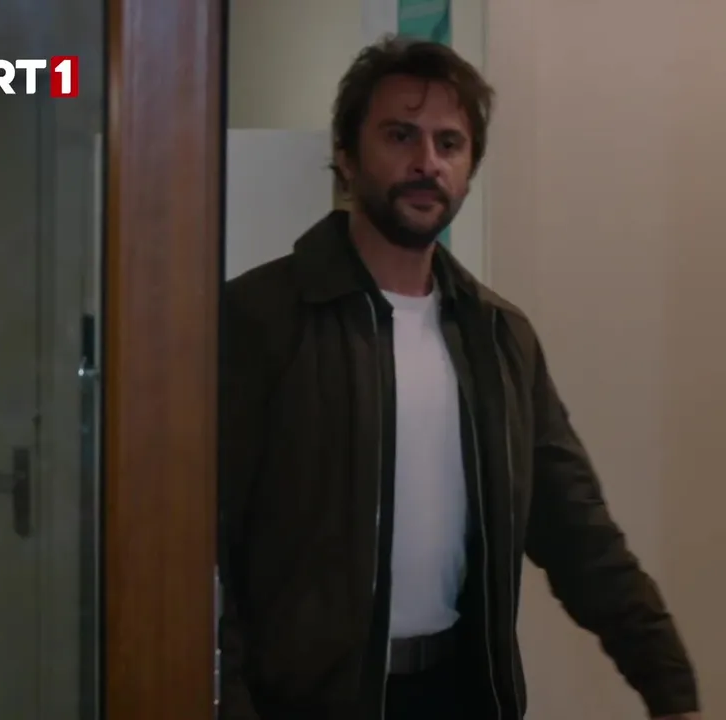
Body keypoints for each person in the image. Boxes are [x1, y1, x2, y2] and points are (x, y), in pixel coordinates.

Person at [216, 37, 699, 720]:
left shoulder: (498, 338)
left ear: (469, 170)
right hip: (302, 705)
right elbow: (205, 547)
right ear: (347, 156)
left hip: (456, 694)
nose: (427, 162)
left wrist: (669, 686)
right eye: (400, 136)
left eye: (449, 143)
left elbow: (577, 531)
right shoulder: (260, 318)